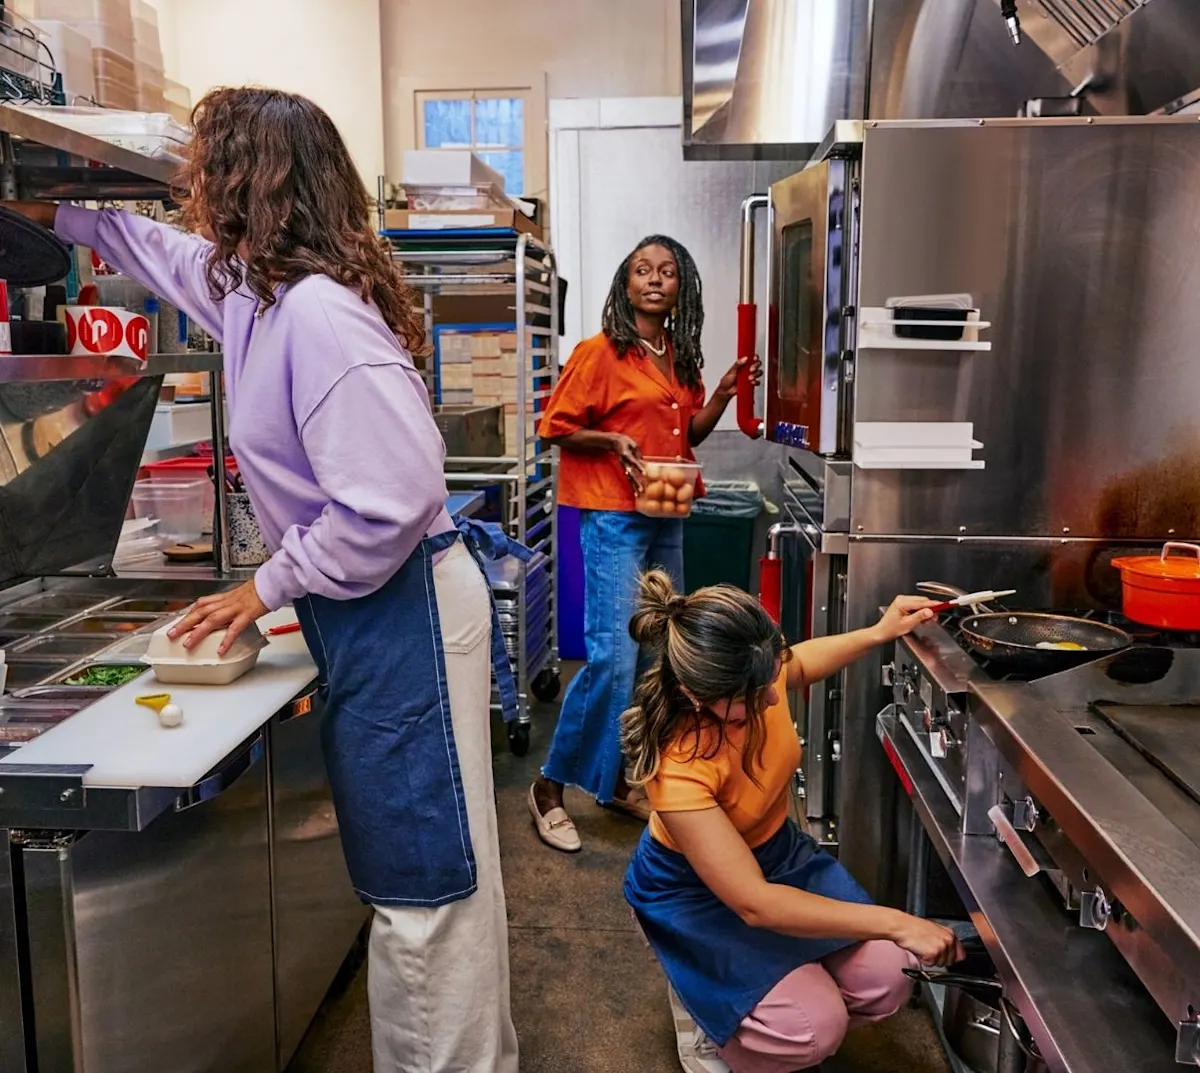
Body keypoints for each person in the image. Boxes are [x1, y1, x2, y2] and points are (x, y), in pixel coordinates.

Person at [10, 88, 518, 1073]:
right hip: (376, 606)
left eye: (202, 167)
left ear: (249, 180)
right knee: (441, 869)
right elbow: (169, 260)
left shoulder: (319, 318)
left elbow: (391, 499)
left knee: (423, 885)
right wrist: (61, 217)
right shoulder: (261, 294)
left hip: (402, 607)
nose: (190, 187)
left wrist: (266, 585)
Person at [622, 572, 965, 1073]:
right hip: (695, 892)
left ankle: (769, 996)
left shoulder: (753, 669)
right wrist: (899, 921)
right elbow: (756, 903)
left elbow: (798, 662)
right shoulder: (678, 767)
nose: (774, 699)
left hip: (779, 857)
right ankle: (708, 1016)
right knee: (811, 1028)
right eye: (752, 699)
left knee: (890, 974)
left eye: (769, 682)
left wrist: (878, 631)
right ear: (696, 694)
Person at [528, 234, 760, 852]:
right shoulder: (600, 353)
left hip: (666, 514)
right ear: (624, 285)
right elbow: (554, 426)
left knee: (659, 656)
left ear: (682, 283)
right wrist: (612, 443)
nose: (654, 280)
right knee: (613, 655)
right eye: (640, 271)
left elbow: (689, 433)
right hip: (614, 517)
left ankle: (616, 781)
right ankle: (549, 788)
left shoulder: (679, 355)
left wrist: (722, 395)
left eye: (666, 271)